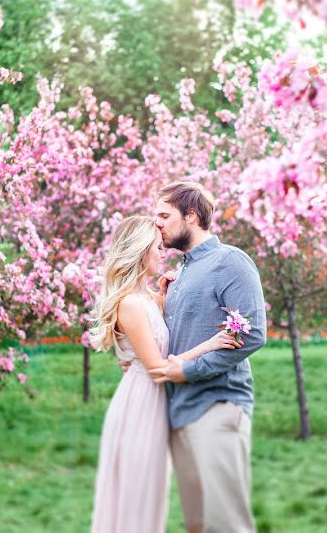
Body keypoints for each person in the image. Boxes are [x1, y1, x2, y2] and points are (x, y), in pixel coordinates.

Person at [89, 215, 242, 533]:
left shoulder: (147, 299)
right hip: (140, 406)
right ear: (142, 251)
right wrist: (210, 344)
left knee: (151, 499)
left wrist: (164, 296)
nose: (163, 253)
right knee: (137, 500)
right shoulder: (130, 304)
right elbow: (157, 367)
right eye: (158, 247)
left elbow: (161, 336)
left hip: (157, 404)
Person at [150, 181, 267, 533]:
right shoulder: (181, 272)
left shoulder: (230, 261)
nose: (157, 223)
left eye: (163, 215)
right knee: (199, 526)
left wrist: (188, 370)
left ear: (191, 215)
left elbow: (251, 333)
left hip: (217, 407)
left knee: (226, 524)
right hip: (179, 414)